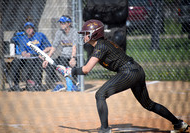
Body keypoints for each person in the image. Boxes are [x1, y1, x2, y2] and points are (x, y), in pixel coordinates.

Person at [60, 19, 189, 133]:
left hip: (128, 72)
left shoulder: (101, 46)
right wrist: (71, 70)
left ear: (94, 34)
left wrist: (70, 71)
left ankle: (104, 130)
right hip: (136, 70)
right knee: (148, 104)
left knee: (100, 94)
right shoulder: (102, 45)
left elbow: (87, 69)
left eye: (86, 33)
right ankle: (179, 124)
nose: (84, 36)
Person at [10, 22, 51, 91]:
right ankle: (16, 85)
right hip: (27, 58)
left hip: (38, 56)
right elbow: (23, 52)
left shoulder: (40, 35)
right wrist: (25, 54)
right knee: (15, 62)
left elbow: (49, 47)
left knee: (36, 63)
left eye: (30, 28)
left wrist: (41, 53)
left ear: (33, 29)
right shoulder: (23, 38)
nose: (28, 30)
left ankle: (36, 85)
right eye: (26, 28)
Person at [42, 15, 78, 91]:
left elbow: (74, 47)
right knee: (49, 65)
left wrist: (73, 58)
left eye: (64, 23)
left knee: (72, 67)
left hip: (74, 56)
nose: (62, 24)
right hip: (63, 56)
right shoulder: (59, 32)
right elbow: (54, 47)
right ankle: (59, 84)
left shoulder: (74, 32)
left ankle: (74, 86)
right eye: (61, 23)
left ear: (69, 23)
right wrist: (47, 59)